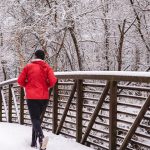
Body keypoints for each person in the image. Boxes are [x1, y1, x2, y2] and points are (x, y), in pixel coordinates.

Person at [17, 50, 57, 150]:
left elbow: (20, 81)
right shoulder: (47, 67)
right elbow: (53, 81)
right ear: (43, 57)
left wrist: (28, 85)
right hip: (43, 97)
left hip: (31, 97)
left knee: (34, 119)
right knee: (37, 120)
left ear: (35, 56)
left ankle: (41, 138)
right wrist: (45, 85)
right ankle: (33, 143)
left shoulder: (28, 66)